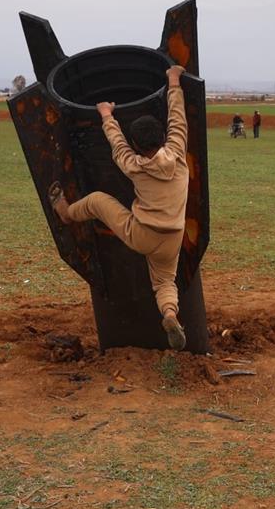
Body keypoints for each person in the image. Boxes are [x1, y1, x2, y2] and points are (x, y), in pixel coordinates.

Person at [48, 65, 189, 350]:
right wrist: (173, 80)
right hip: (173, 238)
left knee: (98, 201)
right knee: (164, 281)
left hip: (141, 233)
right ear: (163, 137)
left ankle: (66, 214)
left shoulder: (134, 165)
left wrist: (106, 115)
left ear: (137, 146)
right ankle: (170, 314)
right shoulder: (178, 153)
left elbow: (117, 145)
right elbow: (178, 118)